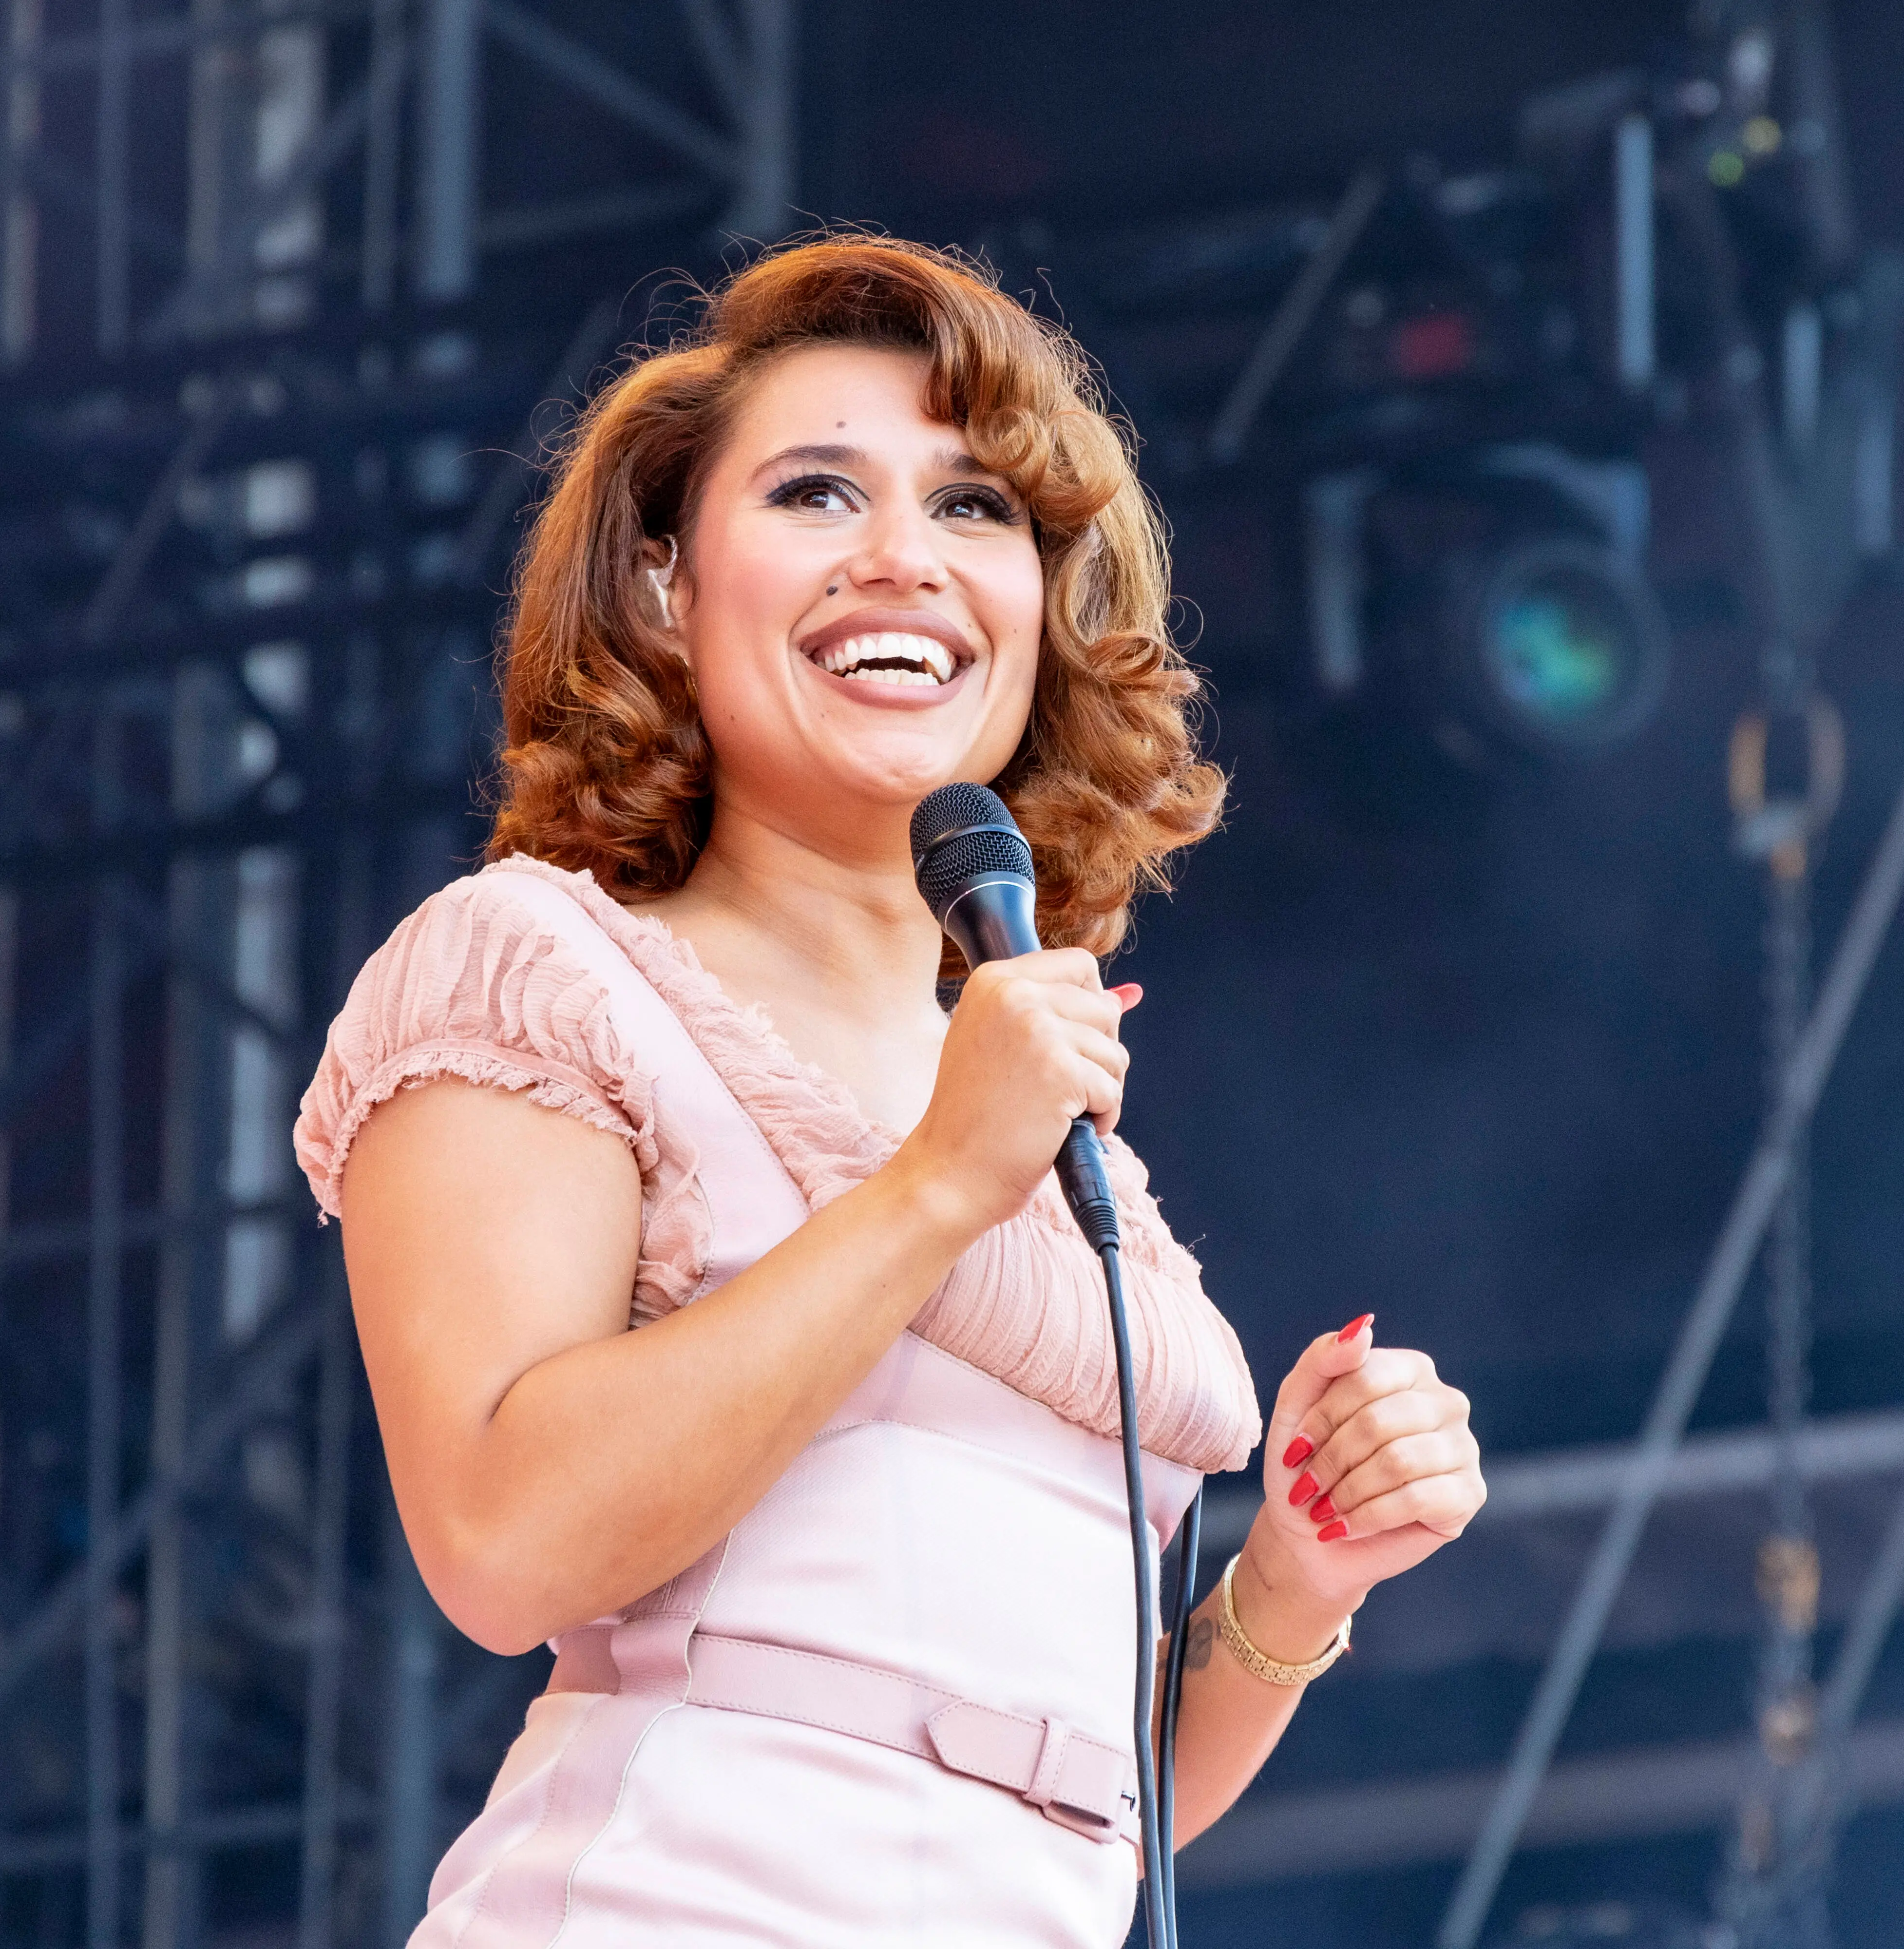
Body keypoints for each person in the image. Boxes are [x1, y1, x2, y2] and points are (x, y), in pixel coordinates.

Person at [293, 235, 1486, 1947]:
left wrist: (1298, 1577)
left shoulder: (1032, 1095)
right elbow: (502, 1539)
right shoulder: (537, 969)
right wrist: (935, 1183)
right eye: (815, 496)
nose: (903, 561)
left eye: (977, 510)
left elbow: (1080, 1790)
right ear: (660, 589)